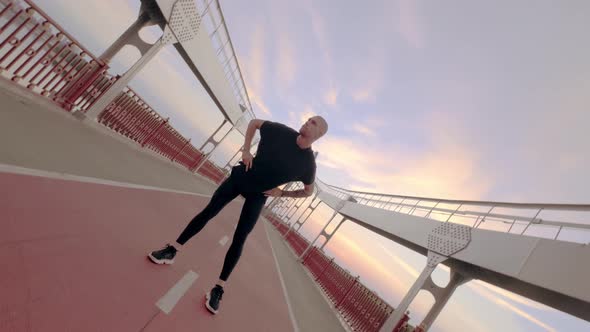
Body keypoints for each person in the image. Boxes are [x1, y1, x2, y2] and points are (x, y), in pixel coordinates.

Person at [148, 116, 328, 314]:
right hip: (241, 177)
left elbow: (308, 191)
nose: (307, 122)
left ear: (318, 135)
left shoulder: (308, 165)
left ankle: (218, 288)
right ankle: (172, 250)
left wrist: (282, 193)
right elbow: (254, 123)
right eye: (309, 119)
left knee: (239, 238)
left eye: (313, 123)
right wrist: (246, 150)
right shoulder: (281, 131)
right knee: (208, 212)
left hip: (259, 195)